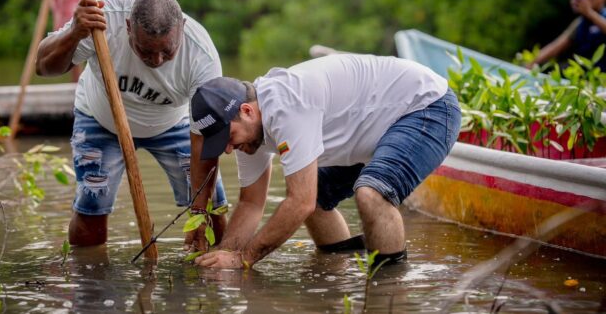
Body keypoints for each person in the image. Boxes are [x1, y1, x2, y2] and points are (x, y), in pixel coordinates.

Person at [189, 53, 461, 269]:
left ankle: (387, 289)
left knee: (371, 194)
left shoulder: (286, 106)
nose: (227, 149)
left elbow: (299, 203)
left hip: (427, 107)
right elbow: (251, 203)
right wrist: (225, 254)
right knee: (317, 197)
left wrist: (244, 259)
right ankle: (338, 273)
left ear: (247, 111)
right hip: (374, 128)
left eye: (228, 137)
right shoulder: (250, 133)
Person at [36, 0, 228, 246]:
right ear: (128, 27)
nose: (157, 60)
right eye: (146, 51)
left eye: (167, 52)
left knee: (212, 206)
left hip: (174, 122)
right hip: (101, 118)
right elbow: (42, 67)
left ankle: (215, 270)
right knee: (92, 204)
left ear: (182, 27)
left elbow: (205, 139)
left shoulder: (201, 56)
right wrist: (74, 33)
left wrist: (199, 210)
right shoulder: (101, 20)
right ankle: (89, 279)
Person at [528, 0, 606, 70]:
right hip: (587, 73)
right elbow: (556, 46)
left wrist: (589, 12)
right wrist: (531, 63)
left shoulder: (600, 16)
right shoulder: (581, 23)